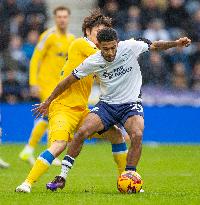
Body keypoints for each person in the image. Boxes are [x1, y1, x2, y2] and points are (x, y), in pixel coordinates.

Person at [32, 28, 191, 191]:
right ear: (99, 46)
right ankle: (62, 176)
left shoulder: (130, 46)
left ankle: (129, 177)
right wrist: (48, 101)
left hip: (130, 104)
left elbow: (156, 46)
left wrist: (176, 43)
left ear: (117, 43)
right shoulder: (93, 61)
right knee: (82, 132)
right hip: (107, 105)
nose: (110, 52)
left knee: (137, 134)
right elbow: (67, 81)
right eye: (105, 49)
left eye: (113, 47)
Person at [15, 11, 128, 193]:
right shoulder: (81, 43)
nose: (102, 36)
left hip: (81, 110)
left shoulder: (96, 54)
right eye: (99, 31)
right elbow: (110, 57)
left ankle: (126, 181)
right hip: (62, 108)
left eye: (105, 32)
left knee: (116, 135)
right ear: (88, 31)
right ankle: (27, 183)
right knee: (59, 145)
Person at [19, 6, 75, 165]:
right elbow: (35, 59)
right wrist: (33, 83)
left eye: (64, 16)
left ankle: (30, 150)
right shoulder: (48, 36)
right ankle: (39, 150)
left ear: (68, 18)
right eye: (59, 17)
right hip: (46, 84)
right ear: (55, 18)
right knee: (51, 115)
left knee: (50, 117)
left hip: (60, 86)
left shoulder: (71, 39)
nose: (62, 19)